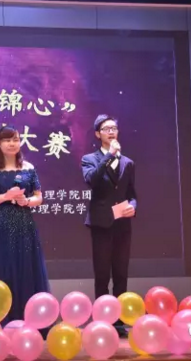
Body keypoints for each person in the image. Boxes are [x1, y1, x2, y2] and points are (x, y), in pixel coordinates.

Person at [0, 125, 50, 326]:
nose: (12, 144)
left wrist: (26, 201)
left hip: (24, 225)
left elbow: (39, 197)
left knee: (25, 269)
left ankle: (28, 321)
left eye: (16, 139)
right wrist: (5, 196)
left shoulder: (28, 168)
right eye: (7, 140)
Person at [81, 114, 137, 336]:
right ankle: (103, 319)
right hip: (101, 224)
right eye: (106, 129)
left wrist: (133, 206)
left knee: (121, 273)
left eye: (114, 128)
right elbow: (91, 180)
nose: (111, 131)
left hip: (123, 224)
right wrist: (109, 156)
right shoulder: (90, 159)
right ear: (98, 134)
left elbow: (132, 193)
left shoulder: (128, 162)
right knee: (102, 274)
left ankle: (120, 322)